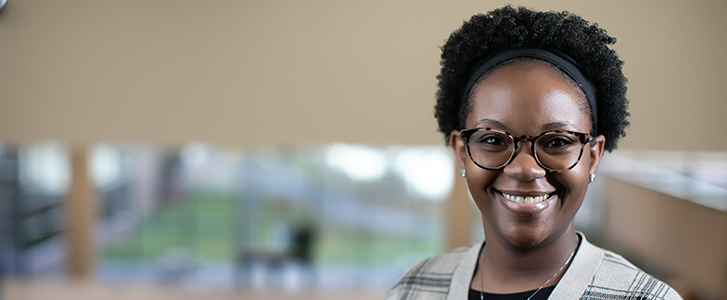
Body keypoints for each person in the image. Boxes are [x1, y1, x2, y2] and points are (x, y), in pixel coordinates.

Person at [386, 6, 682, 300]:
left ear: (593, 155)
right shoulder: (414, 289)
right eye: (492, 140)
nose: (525, 169)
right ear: (461, 152)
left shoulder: (645, 298)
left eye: (556, 142)